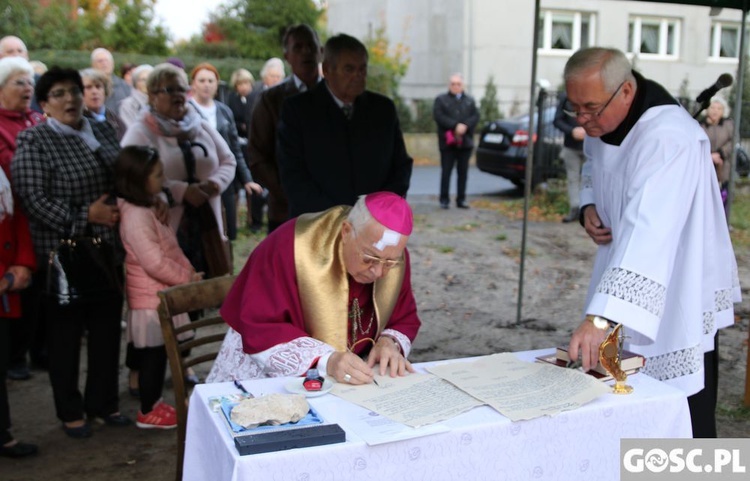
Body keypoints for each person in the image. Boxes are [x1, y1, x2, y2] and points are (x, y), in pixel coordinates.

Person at [563, 47, 740, 438]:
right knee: (625, 395)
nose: (582, 120)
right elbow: (594, 162)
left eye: (590, 108)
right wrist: (588, 204)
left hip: (676, 275)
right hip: (623, 267)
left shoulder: (668, 138)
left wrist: (600, 317)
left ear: (625, 91)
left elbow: (650, 228)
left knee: (683, 401)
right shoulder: (603, 118)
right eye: (573, 108)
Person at [12, 67, 130, 438]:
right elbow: (33, 199)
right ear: (44, 104)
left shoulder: (103, 130)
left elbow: (125, 175)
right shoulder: (34, 140)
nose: (71, 100)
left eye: (75, 92)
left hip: (108, 250)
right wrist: (85, 215)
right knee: (65, 338)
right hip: (63, 255)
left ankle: (104, 404)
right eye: (59, 94)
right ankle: (71, 412)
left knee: (107, 332)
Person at [207, 192, 420, 384]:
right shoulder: (290, 246)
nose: (378, 272)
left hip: (352, 379)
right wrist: (327, 359)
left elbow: (404, 316)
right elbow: (261, 325)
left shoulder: (393, 256)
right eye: (369, 258)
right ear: (346, 231)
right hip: (268, 373)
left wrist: (389, 341)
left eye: (389, 263)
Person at [115, 145, 202, 429]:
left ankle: (152, 404)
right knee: (152, 357)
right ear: (138, 178)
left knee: (158, 354)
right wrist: (187, 278)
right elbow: (154, 262)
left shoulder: (146, 207)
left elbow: (166, 249)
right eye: (157, 174)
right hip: (151, 299)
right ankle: (147, 411)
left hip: (159, 295)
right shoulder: (136, 216)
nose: (162, 179)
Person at [278, 33, 412, 218]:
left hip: (374, 221)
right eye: (349, 69)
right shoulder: (298, 111)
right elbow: (292, 174)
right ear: (327, 70)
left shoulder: (383, 110)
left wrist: (379, 208)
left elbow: (401, 166)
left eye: (362, 69)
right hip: (317, 224)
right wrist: (339, 216)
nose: (358, 76)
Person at [249, 24, 322, 233]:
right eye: (298, 47)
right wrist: (289, 192)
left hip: (330, 212)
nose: (306, 52)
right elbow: (257, 156)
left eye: (311, 45)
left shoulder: (335, 97)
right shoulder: (271, 99)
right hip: (285, 211)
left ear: (321, 51)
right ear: (287, 55)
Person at [0, 58, 38, 458]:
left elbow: (14, 212)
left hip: (10, 269)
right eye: (17, 82)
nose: (27, 87)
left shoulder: (33, 122)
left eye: (30, 81)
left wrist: (22, 263)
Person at [188, 63, 261, 241]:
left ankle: (226, 267)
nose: (206, 84)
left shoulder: (224, 111)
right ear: (193, 84)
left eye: (211, 80)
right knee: (200, 234)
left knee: (228, 231)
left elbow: (234, 148)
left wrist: (247, 179)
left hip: (225, 178)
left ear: (217, 84)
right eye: (202, 80)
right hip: (195, 179)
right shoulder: (185, 111)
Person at [244, 57, 285, 231]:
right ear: (264, 76)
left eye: (278, 76)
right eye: (272, 75)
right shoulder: (255, 95)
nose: (275, 79)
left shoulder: (288, 96)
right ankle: (255, 221)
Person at [433, 73, 479, 209]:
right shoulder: (441, 100)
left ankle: (461, 199)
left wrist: (465, 126)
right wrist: (455, 126)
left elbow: (475, 116)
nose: (455, 86)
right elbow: (439, 116)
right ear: (449, 85)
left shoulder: (469, 101)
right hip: (447, 143)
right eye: (453, 84)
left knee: (463, 172)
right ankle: (444, 199)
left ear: (462, 85)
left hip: (465, 143)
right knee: (446, 171)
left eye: (458, 84)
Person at [553, 91, 586, 222]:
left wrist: (587, 131)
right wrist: (571, 131)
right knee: (573, 179)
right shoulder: (566, 98)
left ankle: (589, 210)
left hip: (591, 146)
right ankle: (575, 209)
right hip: (571, 146)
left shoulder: (595, 93)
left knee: (590, 180)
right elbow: (557, 120)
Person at [700, 97, 734, 205]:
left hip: (723, 169)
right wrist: (709, 156)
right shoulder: (700, 125)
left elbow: (733, 140)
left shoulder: (728, 125)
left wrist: (720, 153)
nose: (715, 111)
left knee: (723, 199)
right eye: (713, 107)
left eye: (719, 108)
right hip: (704, 167)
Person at [80, 67, 126, 140]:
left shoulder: (114, 118)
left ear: (105, 91)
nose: (95, 92)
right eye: (88, 87)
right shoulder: (78, 121)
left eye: (98, 87)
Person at [91, 47, 131, 114]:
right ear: (93, 65)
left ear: (113, 64)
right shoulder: (87, 87)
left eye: (107, 60)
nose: (104, 63)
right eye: (100, 61)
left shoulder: (124, 86)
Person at [119, 64, 153, 128]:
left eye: (150, 79)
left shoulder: (159, 103)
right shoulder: (127, 105)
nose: (147, 82)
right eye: (143, 80)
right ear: (136, 82)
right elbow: (128, 128)